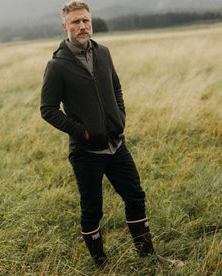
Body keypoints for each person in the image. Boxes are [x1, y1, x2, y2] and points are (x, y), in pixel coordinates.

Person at [40, 0, 177, 270]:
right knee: (93, 210)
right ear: (65, 26)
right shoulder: (57, 66)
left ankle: (148, 256)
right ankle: (102, 265)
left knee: (136, 197)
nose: (82, 26)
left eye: (86, 20)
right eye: (76, 21)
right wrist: (84, 132)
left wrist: (119, 118)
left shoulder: (104, 53)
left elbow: (116, 88)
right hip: (86, 152)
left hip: (117, 145)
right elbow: (47, 109)